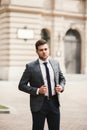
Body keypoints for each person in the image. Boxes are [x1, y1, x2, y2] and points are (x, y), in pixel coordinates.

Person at [18, 39, 66, 130]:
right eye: (41, 50)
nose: (44, 52)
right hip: (39, 104)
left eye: (45, 49)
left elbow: (62, 78)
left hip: (54, 103)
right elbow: (21, 85)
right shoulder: (30, 67)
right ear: (37, 51)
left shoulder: (55, 63)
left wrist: (61, 86)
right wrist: (37, 90)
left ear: (48, 49)